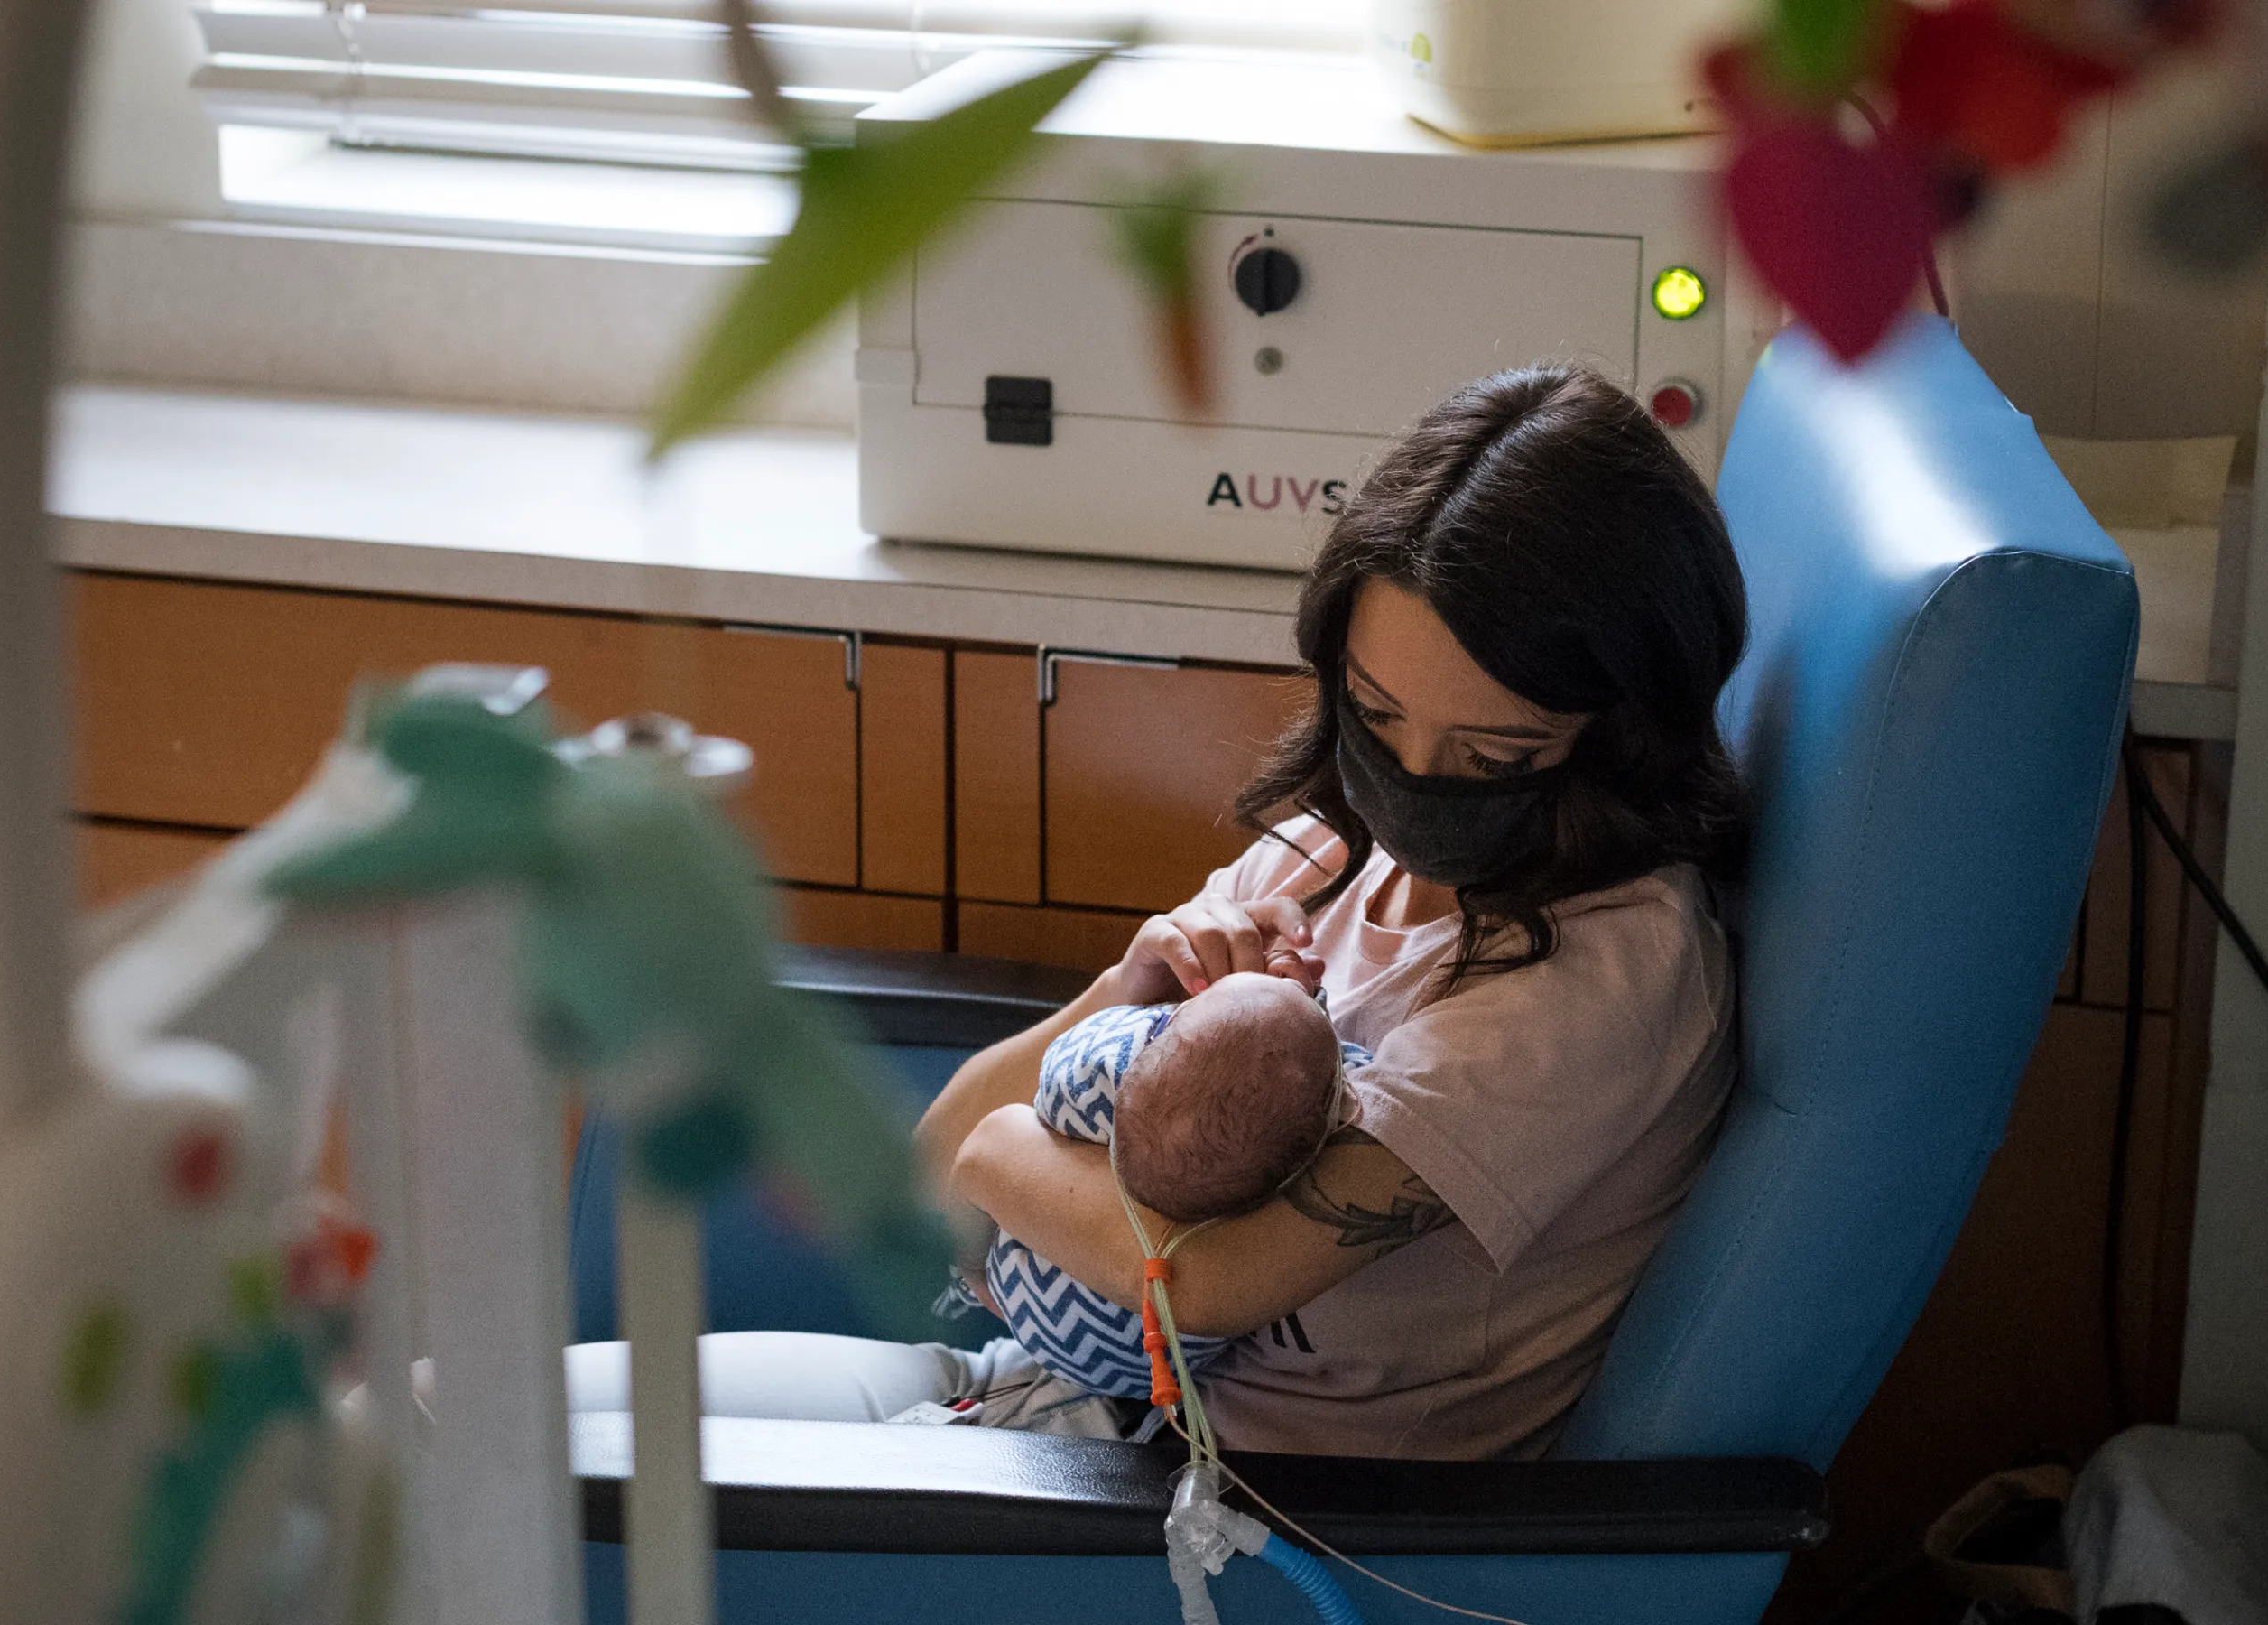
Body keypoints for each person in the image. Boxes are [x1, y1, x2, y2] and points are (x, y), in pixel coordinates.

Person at [698, 364, 1747, 1458]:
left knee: (567, 1512)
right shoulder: (1332, 853)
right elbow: (925, 1167)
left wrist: (1001, 1154)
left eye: (1494, 754)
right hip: (1050, 1396)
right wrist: (1128, 987)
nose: (1415, 784)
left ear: (1623, 733)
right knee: (516, 1421)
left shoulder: (1594, 985)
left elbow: (1186, 1286)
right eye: (1375, 716)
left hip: (1231, 1518)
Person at [963, 970, 1372, 1404]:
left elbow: (1053, 1079)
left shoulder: (1101, 1073)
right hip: (1155, 1370)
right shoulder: (1298, 1165)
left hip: (1026, 1306)